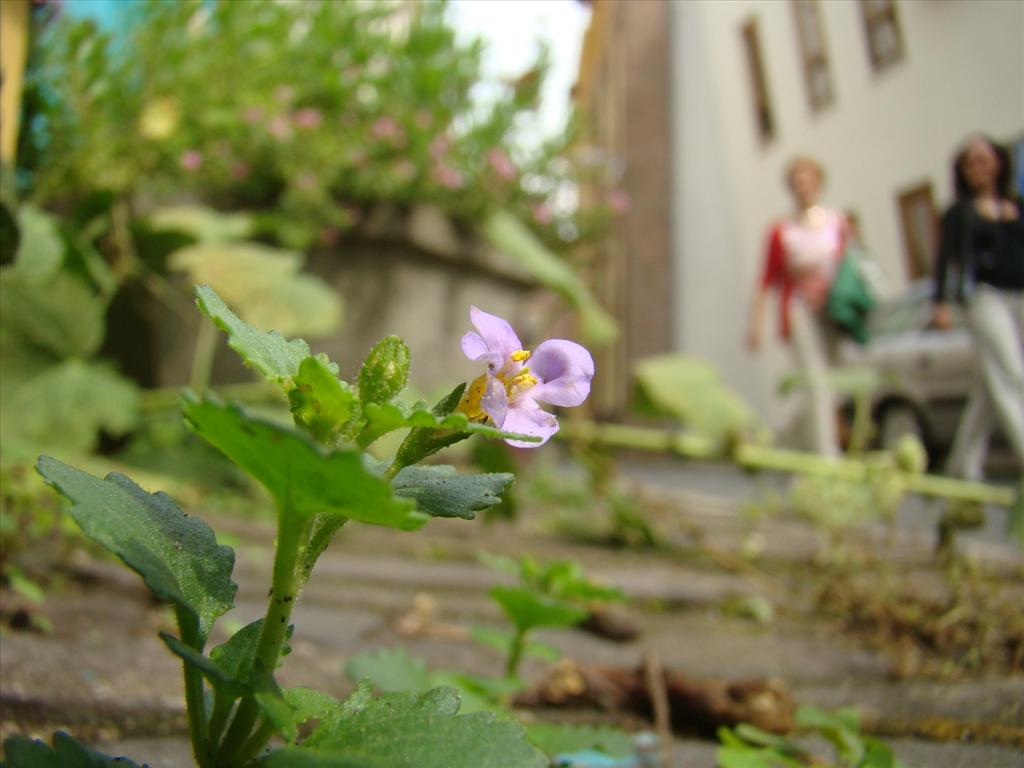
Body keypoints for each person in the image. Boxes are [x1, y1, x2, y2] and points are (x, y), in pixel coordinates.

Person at [932, 135, 1024, 480]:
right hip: (985, 297)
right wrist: (940, 301)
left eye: (983, 158)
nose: (978, 166)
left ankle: (961, 464)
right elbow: (945, 259)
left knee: (990, 385)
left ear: (998, 162)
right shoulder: (959, 213)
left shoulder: (1016, 204)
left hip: (1020, 293)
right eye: (970, 162)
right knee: (1012, 374)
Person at [746, 155, 847, 458]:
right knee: (816, 382)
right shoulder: (781, 229)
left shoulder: (837, 222)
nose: (803, 186)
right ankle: (828, 458)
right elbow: (765, 281)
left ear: (819, 182)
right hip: (799, 310)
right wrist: (756, 325)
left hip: (832, 312)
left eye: (808, 180)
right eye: (797, 182)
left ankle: (787, 444)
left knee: (831, 386)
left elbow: (850, 267)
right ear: (791, 188)